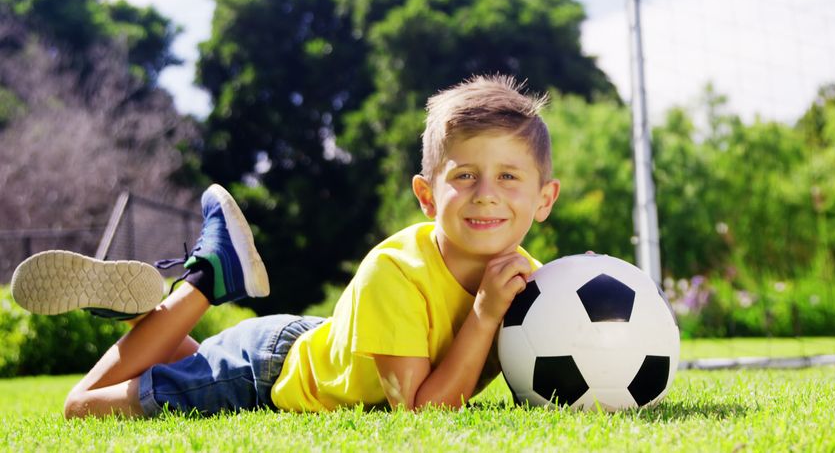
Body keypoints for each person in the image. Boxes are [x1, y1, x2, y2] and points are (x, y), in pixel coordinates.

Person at [10, 75, 561, 418]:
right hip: (260, 375)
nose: (486, 195)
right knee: (81, 407)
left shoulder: (532, 280)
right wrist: (486, 314)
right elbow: (420, 413)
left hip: (307, 345)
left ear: (544, 198)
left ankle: (146, 317)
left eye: (510, 177)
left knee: (179, 360)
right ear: (425, 195)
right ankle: (208, 279)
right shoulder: (396, 271)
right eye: (464, 175)